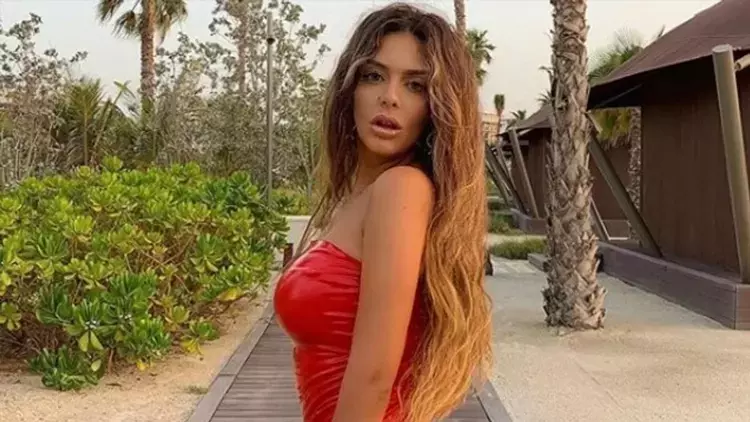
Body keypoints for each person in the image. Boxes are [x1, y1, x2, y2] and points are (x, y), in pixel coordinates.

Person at [273, 3, 492, 421]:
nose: (389, 97)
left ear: (436, 107)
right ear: (349, 88)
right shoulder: (358, 196)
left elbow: (375, 377)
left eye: (415, 85)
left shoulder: (401, 189)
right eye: (374, 76)